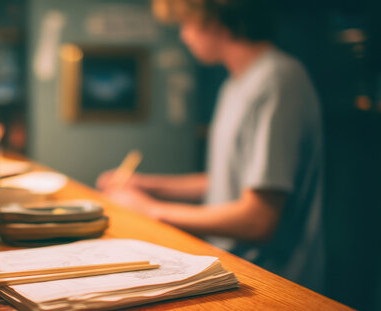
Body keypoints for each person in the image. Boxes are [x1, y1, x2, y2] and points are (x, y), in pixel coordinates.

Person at [97, 0, 324, 292]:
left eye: (186, 23)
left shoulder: (279, 80)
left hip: (274, 284)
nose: (183, 35)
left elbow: (258, 219)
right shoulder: (235, 84)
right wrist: (147, 184)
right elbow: (232, 180)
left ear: (213, 20)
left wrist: (150, 209)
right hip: (235, 269)